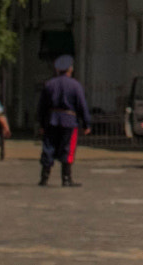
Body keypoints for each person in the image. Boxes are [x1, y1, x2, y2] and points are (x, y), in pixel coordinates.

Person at [36, 54, 90, 187]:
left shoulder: (49, 84)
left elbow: (41, 106)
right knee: (67, 148)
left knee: (48, 147)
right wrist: (86, 123)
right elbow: (82, 105)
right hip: (69, 120)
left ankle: (44, 177)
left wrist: (41, 123)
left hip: (51, 120)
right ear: (70, 69)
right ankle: (66, 178)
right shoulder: (75, 85)